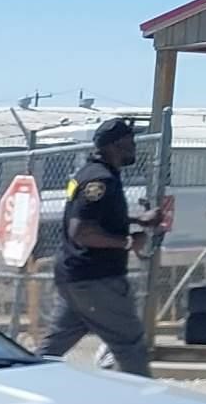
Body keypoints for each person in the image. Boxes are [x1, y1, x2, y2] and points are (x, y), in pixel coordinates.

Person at [39, 116, 167, 376]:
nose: (134, 147)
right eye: (130, 142)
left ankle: (19, 384)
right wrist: (129, 241)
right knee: (129, 344)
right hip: (96, 280)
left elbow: (90, 217)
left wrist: (137, 219)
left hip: (75, 277)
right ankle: (142, 403)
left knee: (51, 349)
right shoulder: (101, 181)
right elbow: (82, 231)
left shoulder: (88, 174)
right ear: (115, 145)